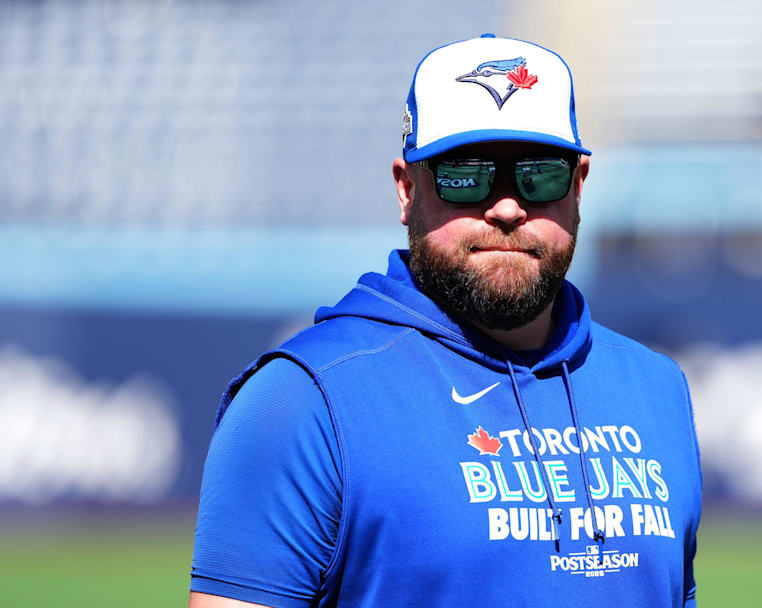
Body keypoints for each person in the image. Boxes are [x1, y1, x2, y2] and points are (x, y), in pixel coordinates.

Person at [189, 34, 701, 608]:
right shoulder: (302, 401)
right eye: (466, 175)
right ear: (407, 189)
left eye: (539, 174)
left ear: (578, 186)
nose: (507, 206)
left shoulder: (656, 390)